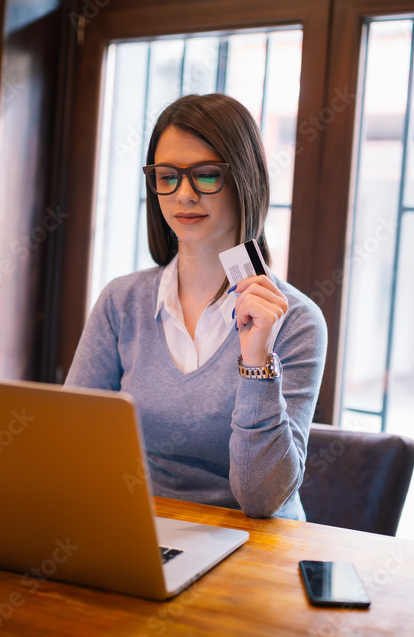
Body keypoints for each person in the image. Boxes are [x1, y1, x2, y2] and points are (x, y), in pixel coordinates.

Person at [65, 93, 327, 519]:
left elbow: (262, 499)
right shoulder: (122, 301)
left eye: (206, 176)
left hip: (255, 551)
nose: (183, 195)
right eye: (167, 176)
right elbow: (72, 442)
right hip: (146, 535)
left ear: (245, 180)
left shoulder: (295, 321)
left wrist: (257, 360)